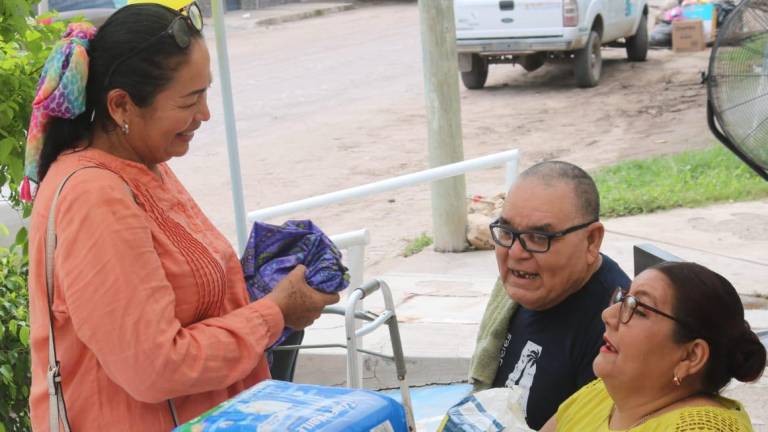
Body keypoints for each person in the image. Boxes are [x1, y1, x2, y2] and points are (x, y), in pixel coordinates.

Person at [25, 4, 339, 430]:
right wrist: (274, 313)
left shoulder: (143, 166)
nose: (205, 114)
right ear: (121, 106)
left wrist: (265, 287)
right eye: (191, 99)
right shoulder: (94, 196)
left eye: (206, 92)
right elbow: (155, 367)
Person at [468, 160, 631, 430]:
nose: (516, 253)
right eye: (507, 232)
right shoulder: (524, 289)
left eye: (538, 237)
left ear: (591, 241)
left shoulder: (615, 331)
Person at [542, 261, 766, 431]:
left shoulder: (698, 428)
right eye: (623, 300)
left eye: (638, 310)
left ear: (690, 356)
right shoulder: (604, 393)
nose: (608, 315)